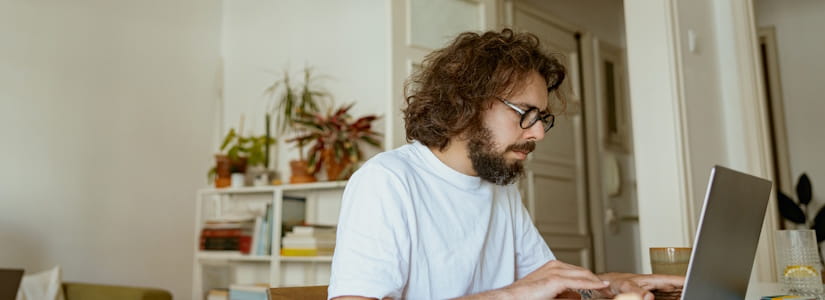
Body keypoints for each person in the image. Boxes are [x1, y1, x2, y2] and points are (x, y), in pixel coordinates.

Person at [327, 28, 684, 300]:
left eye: (542, 117)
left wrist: (608, 285)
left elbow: (547, 285)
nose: (539, 132)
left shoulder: (500, 186)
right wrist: (511, 295)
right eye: (526, 113)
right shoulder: (387, 182)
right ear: (465, 102)